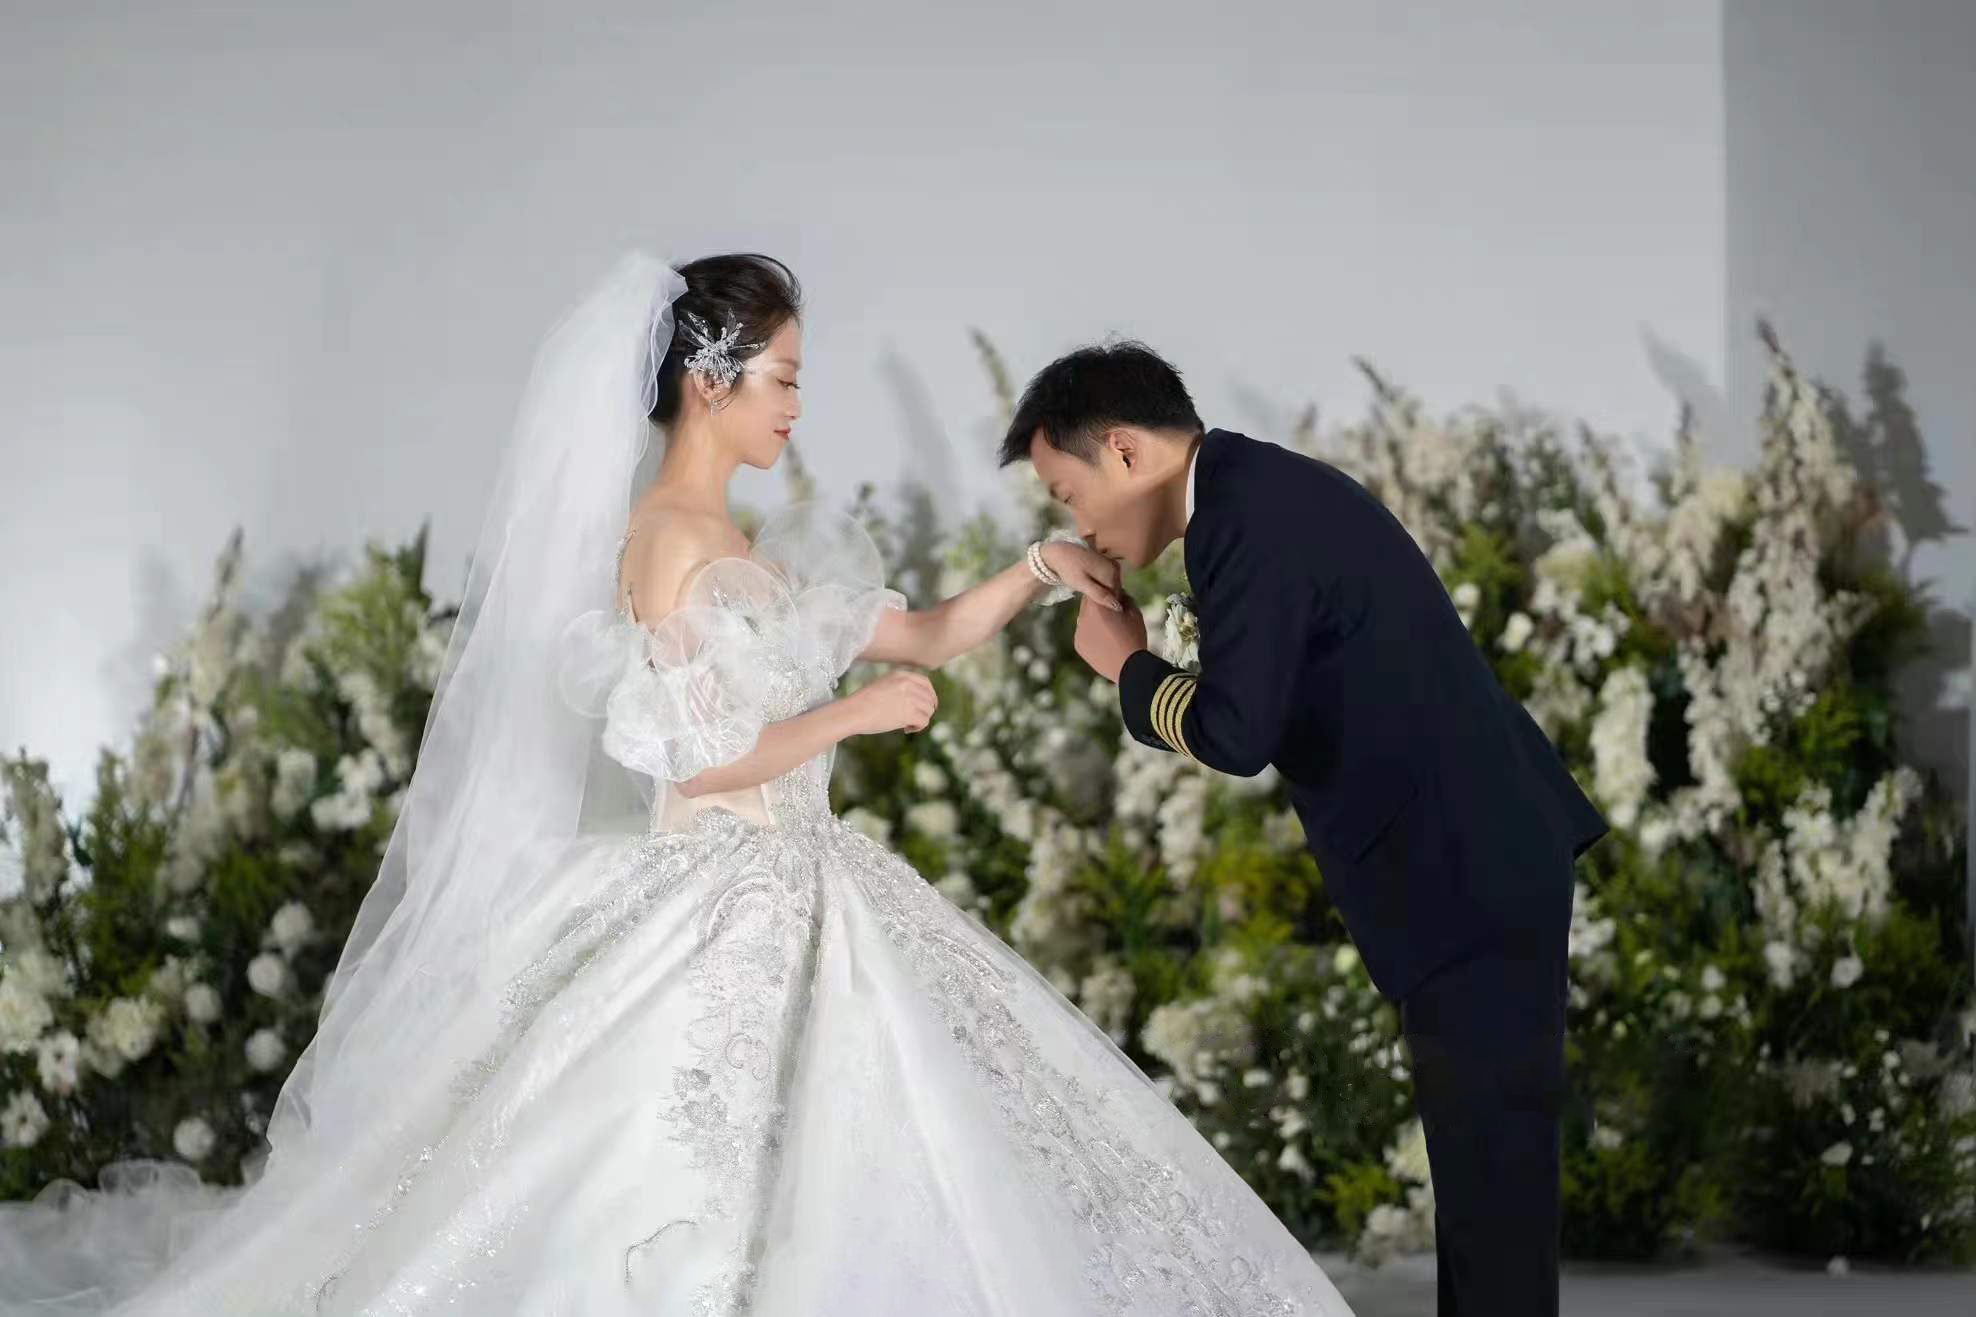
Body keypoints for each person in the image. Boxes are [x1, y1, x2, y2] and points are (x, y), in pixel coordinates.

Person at [0, 255, 1357, 1316]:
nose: (795, 406)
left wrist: (1041, 571)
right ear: (708, 382)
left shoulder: (738, 540)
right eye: (782, 379)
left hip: (801, 880)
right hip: (712, 893)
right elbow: (699, 762)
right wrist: (850, 716)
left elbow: (925, 634)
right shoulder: (661, 541)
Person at [1001, 341, 1609, 1317]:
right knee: (1488, 1190)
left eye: (1067, 494)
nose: (1079, 524)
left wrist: (1128, 668)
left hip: (1467, 870)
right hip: (1472, 859)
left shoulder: (1241, 519)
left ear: (1122, 450)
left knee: (1493, 1195)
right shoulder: (1249, 492)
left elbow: (1237, 735)